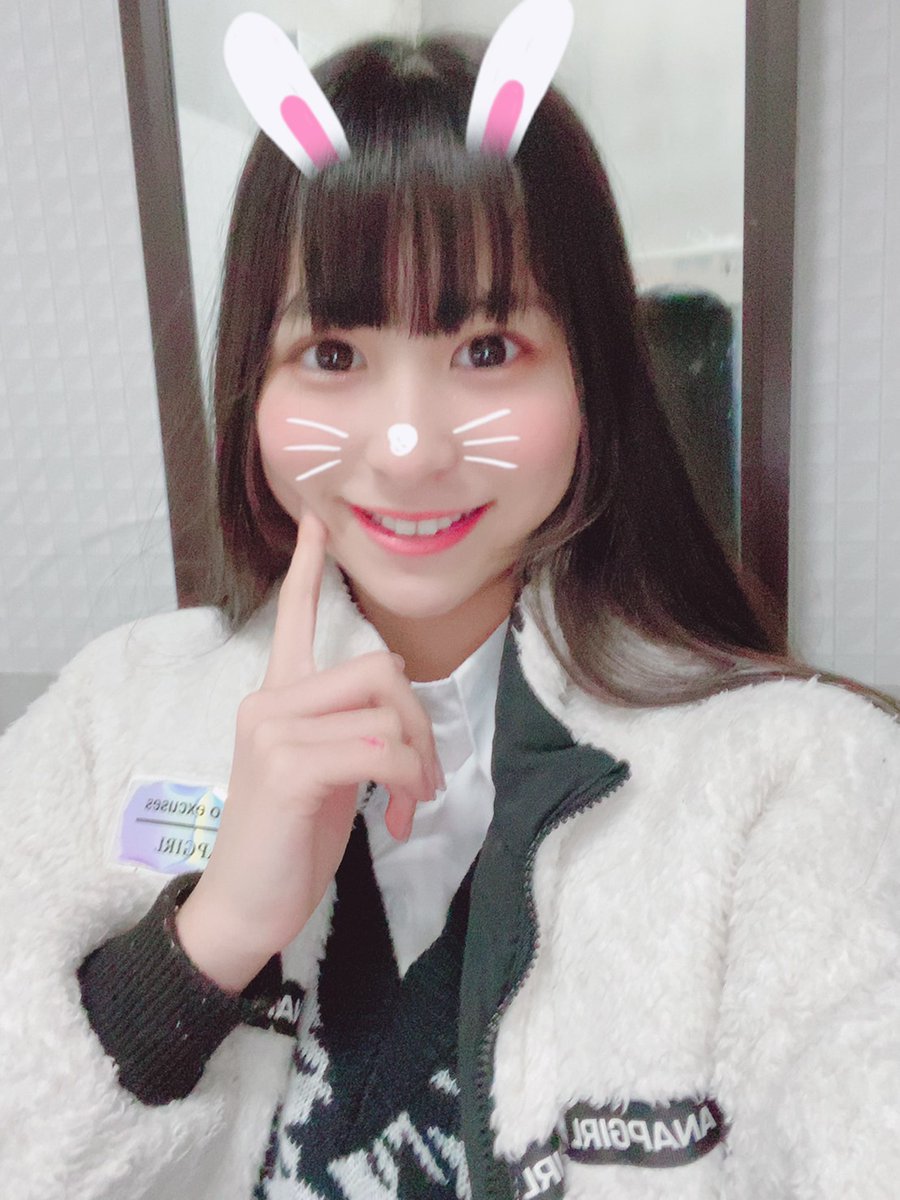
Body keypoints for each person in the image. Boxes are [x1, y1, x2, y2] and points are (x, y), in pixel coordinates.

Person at [2, 5, 900, 1199]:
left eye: (486, 348)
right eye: (333, 354)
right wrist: (205, 943)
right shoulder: (104, 719)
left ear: (590, 377)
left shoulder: (795, 779)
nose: (411, 448)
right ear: (253, 390)